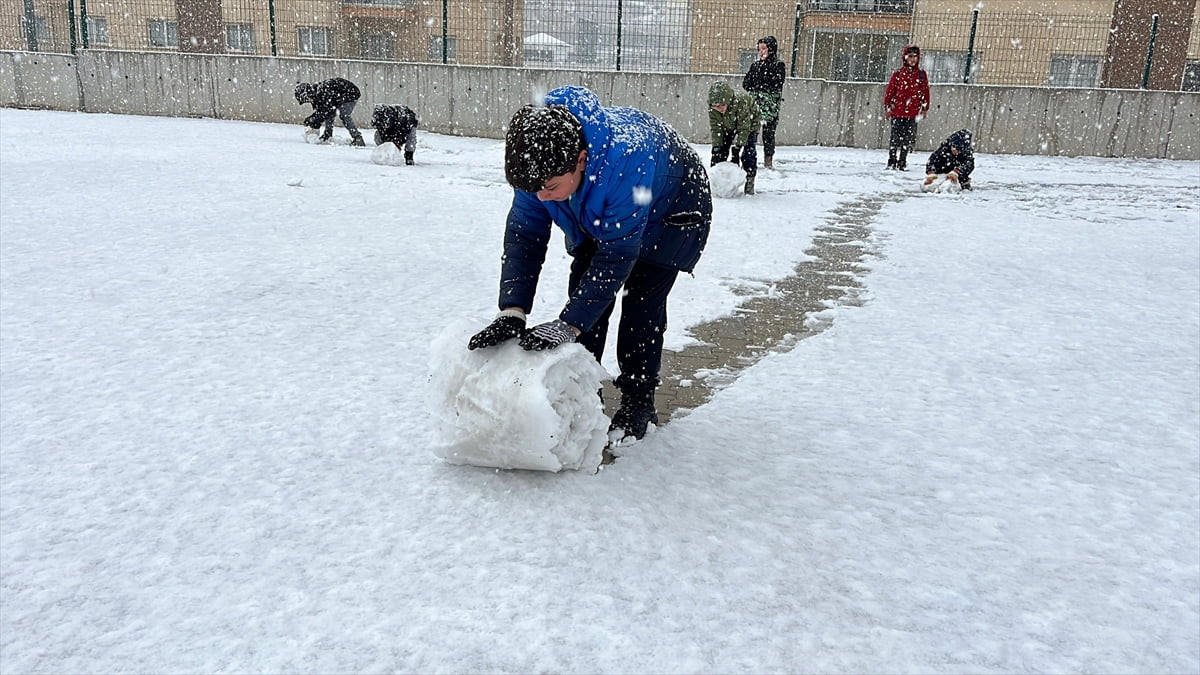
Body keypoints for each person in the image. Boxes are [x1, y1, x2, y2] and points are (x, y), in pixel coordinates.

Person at [467, 86, 712, 441]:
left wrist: (570, 323)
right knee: (584, 298)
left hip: (673, 210)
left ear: (581, 160)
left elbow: (616, 257)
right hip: (602, 208)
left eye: (549, 188)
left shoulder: (627, 160)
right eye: (533, 190)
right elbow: (525, 233)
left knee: (642, 306)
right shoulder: (539, 160)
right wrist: (513, 309)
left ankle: (638, 399)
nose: (540, 197)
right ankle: (583, 396)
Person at [708, 81, 762, 195]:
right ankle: (718, 184)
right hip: (728, 125)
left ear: (727, 101)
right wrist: (717, 147)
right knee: (720, 152)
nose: (718, 108)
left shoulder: (741, 102)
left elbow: (744, 127)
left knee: (748, 154)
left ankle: (749, 184)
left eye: (721, 105)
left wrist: (737, 147)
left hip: (750, 124)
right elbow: (716, 129)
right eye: (715, 106)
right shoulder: (713, 109)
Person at [882, 44, 930, 171]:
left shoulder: (921, 75)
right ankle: (892, 161)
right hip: (897, 112)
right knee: (894, 139)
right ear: (905, 57)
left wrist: (924, 108)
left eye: (915, 56)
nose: (913, 59)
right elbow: (890, 92)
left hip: (912, 113)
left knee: (907, 140)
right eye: (910, 56)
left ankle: (902, 161)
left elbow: (925, 92)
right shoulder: (898, 74)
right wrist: (887, 108)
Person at [742, 35, 786, 170]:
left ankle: (768, 161)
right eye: (759, 49)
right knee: (751, 133)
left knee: (768, 134)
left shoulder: (779, 66)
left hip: (770, 106)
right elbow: (746, 83)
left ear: (771, 49)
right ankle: (748, 159)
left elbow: (775, 83)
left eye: (763, 48)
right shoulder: (755, 65)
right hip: (754, 105)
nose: (761, 52)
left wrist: (760, 83)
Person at [294, 77, 365, 147]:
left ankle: (357, 138)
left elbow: (326, 111)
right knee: (329, 112)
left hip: (350, 94)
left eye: (307, 100)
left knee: (343, 115)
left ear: (309, 94)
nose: (309, 101)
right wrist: (311, 119)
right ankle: (328, 134)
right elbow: (324, 111)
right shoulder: (317, 94)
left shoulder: (323, 91)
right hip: (339, 96)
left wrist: (314, 121)